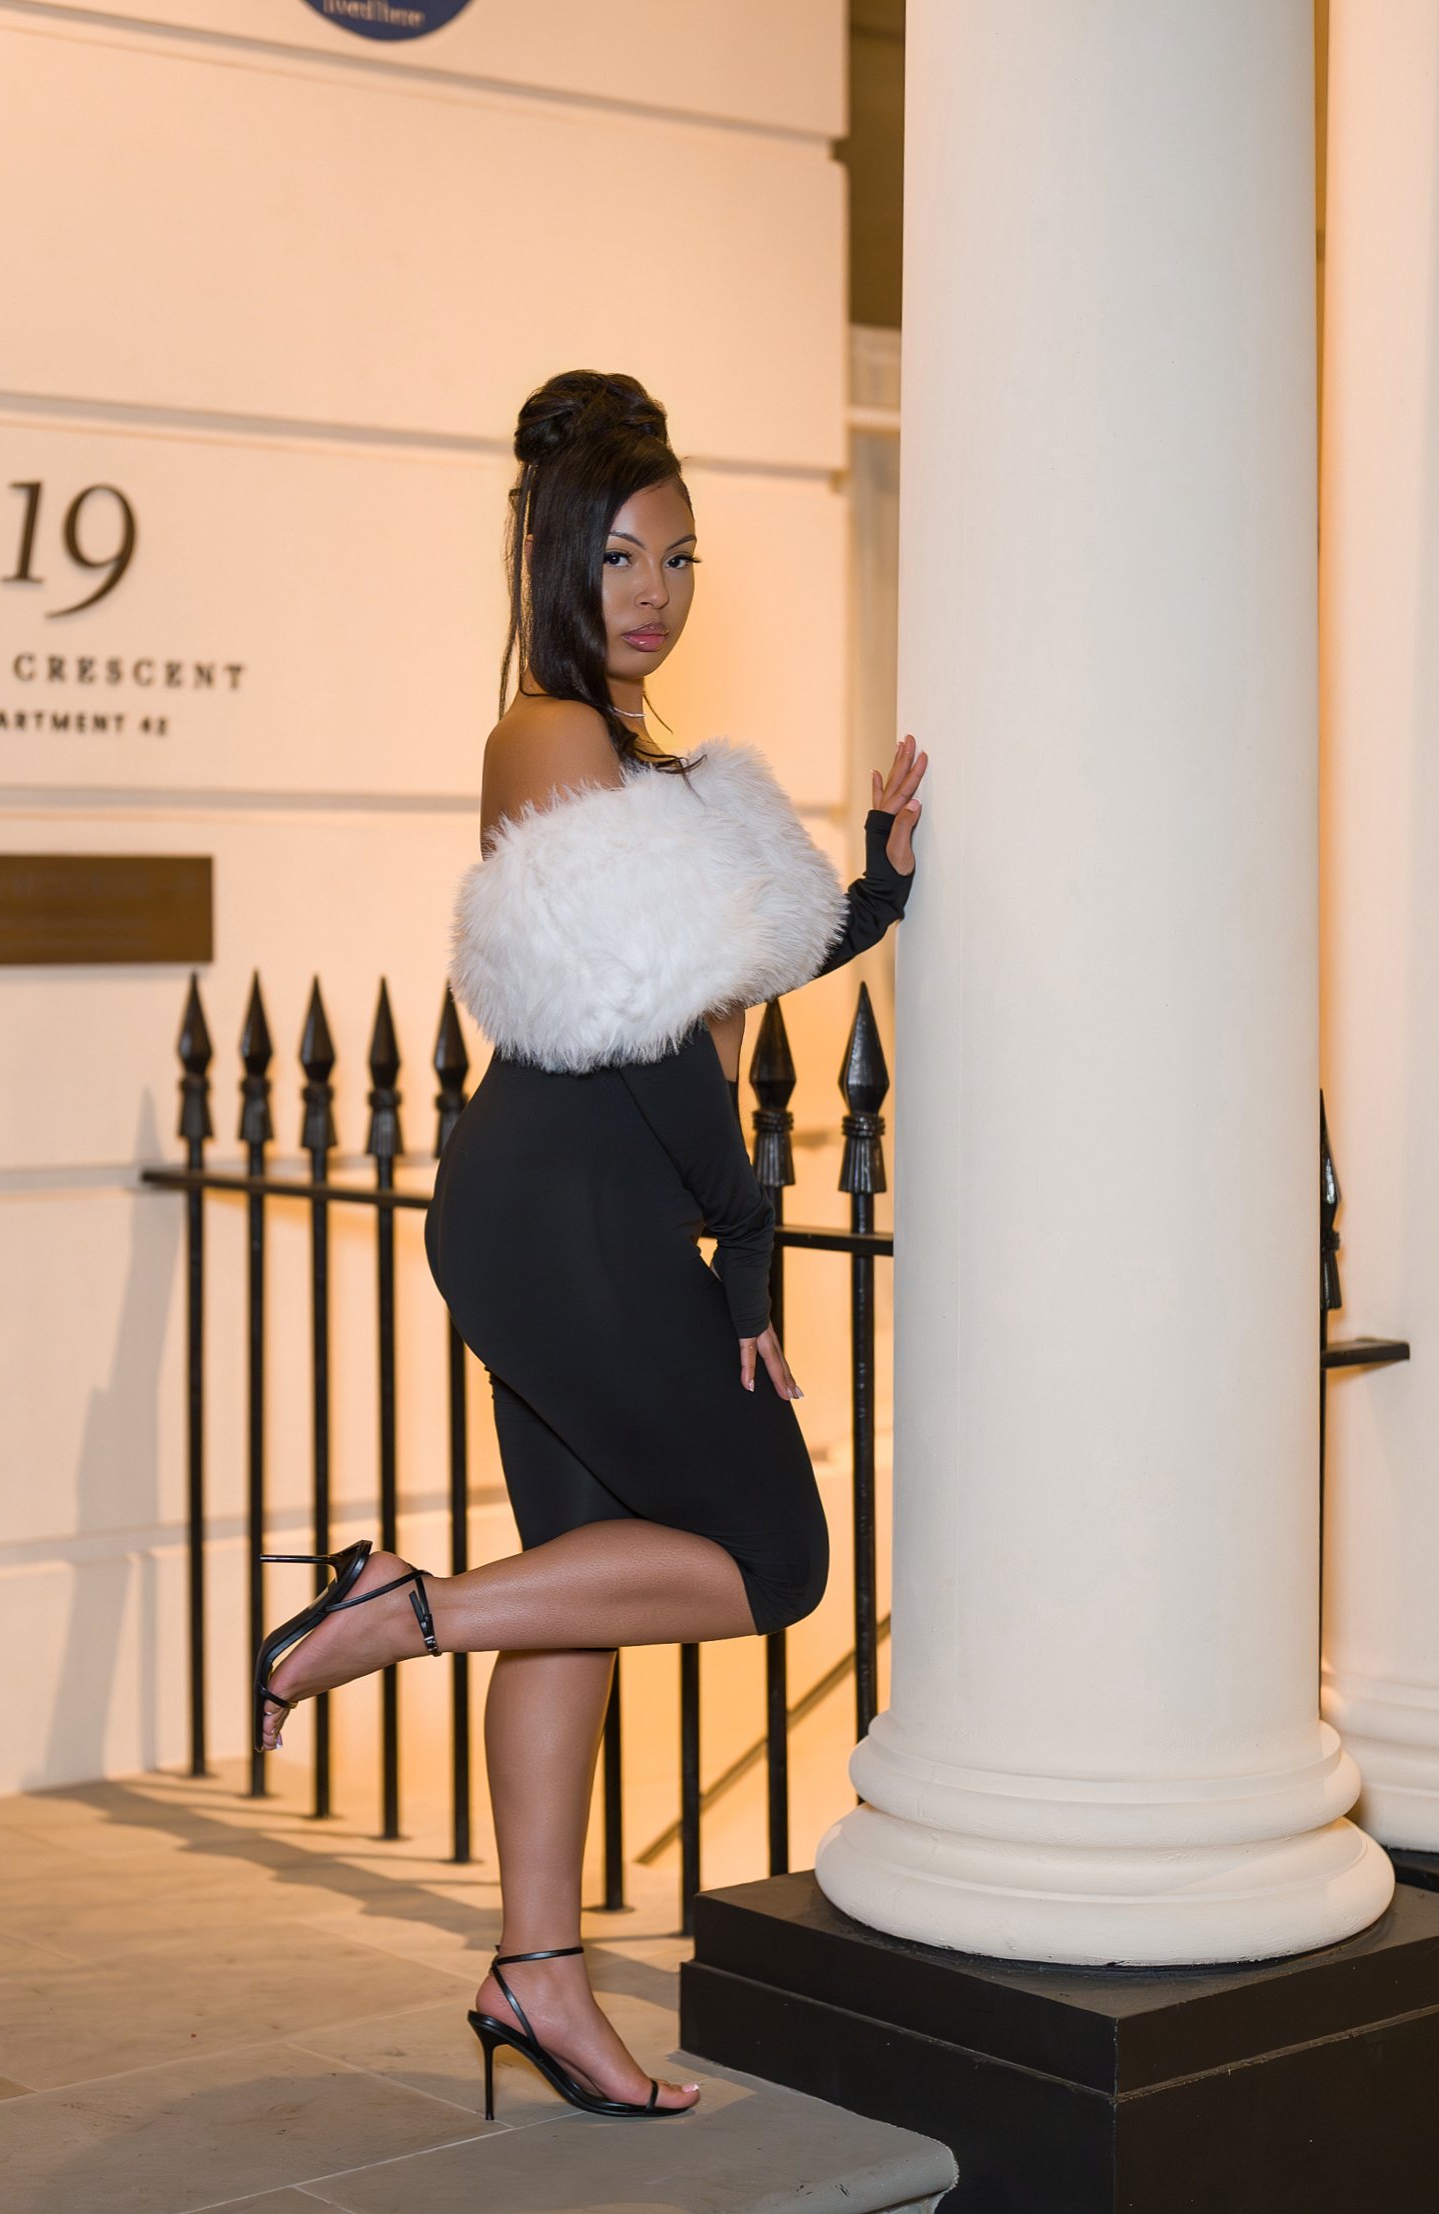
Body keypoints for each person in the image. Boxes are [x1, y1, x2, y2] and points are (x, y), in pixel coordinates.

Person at [255, 370, 926, 2121]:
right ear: (558, 556)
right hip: (569, 1203)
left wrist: (875, 887)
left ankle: (536, 1977)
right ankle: (406, 1608)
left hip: (577, 1205)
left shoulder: (660, 765)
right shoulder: (547, 734)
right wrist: (749, 1240)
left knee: (581, 1590)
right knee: (774, 1556)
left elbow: (728, 966)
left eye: (681, 558)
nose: (657, 591)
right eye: (624, 555)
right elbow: (640, 1019)